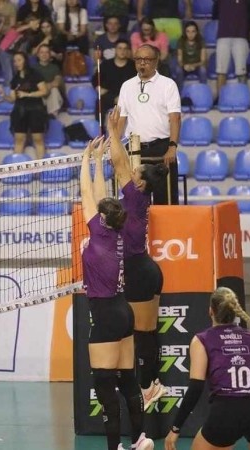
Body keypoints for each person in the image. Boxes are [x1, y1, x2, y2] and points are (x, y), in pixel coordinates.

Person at [80, 136, 155, 450]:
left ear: (102, 220)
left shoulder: (98, 232)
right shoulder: (120, 230)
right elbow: (98, 199)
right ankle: (139, 438)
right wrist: (99, 162)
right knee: (127, 379)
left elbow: (88, 192)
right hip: (124, 312)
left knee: (104, 386)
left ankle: (115, 448)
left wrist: (87, 158)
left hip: (108, 315)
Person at [164, 287, 250, 450]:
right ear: (235, 312)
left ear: (210, 311)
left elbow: (195, 388)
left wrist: (175, 428)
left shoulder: (202, 340)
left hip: (225, 412)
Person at [106, 106, 170, 409]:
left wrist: (113, 132)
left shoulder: (134, 195)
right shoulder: (139, 196)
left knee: (142, 334)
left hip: (140, 271)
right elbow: (122, 167)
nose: (132, 173)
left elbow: (119, 163)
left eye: (137, 173)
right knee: (146, 332)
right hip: (146, 268)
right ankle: (151, 383)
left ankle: (148, 386)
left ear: (141, 182)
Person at [116, 44, 181, 205]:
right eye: (138, 59)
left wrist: (172, 146)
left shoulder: (168, 85)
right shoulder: (127, 86)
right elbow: (121, 119)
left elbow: (175, 118)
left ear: (156, 61)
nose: (142, 63)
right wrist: (115, 148)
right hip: (134, 150)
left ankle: (167, 231)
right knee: (134, 199)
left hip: (161, 148)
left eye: (146, 59)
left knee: (165, 199)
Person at [0, 52, 48, 159]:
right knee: (19, 140)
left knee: (38, 139)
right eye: (15, 61)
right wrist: (4, 96)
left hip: (36, 110)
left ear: (25, 60)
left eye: (19, 60)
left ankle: (41, 170)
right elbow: (12, 99)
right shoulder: (15, 79)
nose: (16, 63)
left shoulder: (35, 74)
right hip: (19, 112)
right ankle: (17, 171)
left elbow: (44, 91)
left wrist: (28, 94)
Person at [92, 39, 136, 130]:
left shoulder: (134, 66)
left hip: (128, 98)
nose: (122, 51)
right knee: (99, 102)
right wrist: (98, 87)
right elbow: (95, 80)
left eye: (125, 49)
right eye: (120, 48)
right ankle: (102, 133)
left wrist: (121, 99)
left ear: (128, 51)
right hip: (109, 96)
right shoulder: (106, 65)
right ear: (115, 50)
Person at [213, 0, 250, 96]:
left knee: (241, 71)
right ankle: (221, 98)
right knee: (221, 71)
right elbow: (215, 12)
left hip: (241, 36)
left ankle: (243, 97)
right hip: (223, 35)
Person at [34, 44, 65, 117]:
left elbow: (57, 82)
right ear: (38, 55)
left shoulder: (55, 67)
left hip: (51, 95)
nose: (44, 54)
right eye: (42, 52)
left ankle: (52, 116)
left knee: (54, 90)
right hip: (39, 96)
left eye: (46, 52)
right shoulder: (33, 69)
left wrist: (45, 87)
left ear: (50, 55)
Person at [0, 0, 18, 88]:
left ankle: (9, 87)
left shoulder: (10, 6)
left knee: (9, 65)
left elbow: (12, 26)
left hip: (8, 38)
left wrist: (0, 29)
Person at [176, 21, 207, 88]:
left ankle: (203, 90)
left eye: (193, 31)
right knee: (178, 70)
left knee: (203, 70)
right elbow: (179, 60)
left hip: (197, 66)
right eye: (188, 31)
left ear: (196, 32)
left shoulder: (201, 40)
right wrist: (185, 65)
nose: (190, 34)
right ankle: (179, 94)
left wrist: (193, 65)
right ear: (185, 32)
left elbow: (203, 61)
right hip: (185, 66)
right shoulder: (181, 41)